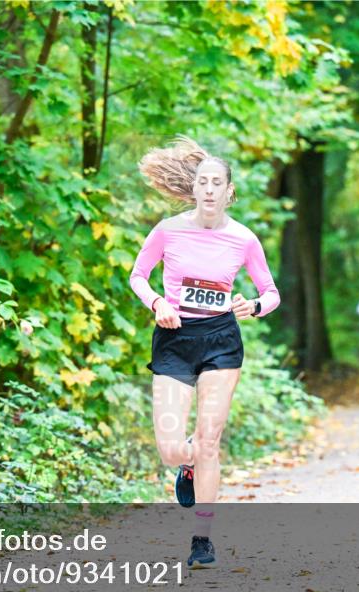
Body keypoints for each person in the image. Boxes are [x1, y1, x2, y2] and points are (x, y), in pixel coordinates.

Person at [129, 136, 280, 568]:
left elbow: (271, 293)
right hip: (175, 339)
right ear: (193, 189)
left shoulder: (244, 239)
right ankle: (187, 465)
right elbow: (138, 276)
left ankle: (202, 538)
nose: (210, 189)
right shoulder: (167, 230)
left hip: (220, 341)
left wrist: (252, 306)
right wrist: (158, 303)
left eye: (217, 182)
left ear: (229, 191)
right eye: (203, 182)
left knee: (209, 442)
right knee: (173, 449)